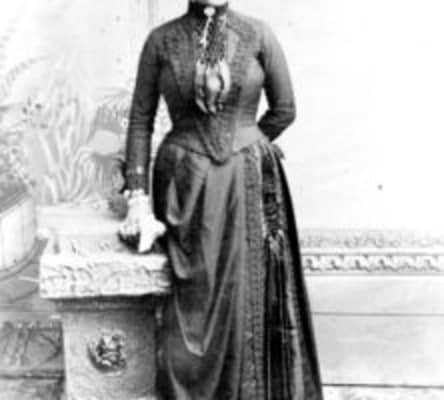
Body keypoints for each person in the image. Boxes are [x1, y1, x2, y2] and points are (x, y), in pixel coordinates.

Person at [120, 0, 324, 398]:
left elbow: (284, 109)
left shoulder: (258, 34)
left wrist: (249, 143)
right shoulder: (161, 40)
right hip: (184, 187)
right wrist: (138, 194)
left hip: (247, 182)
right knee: (193, 300)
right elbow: (140, 120)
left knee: (250, 294)